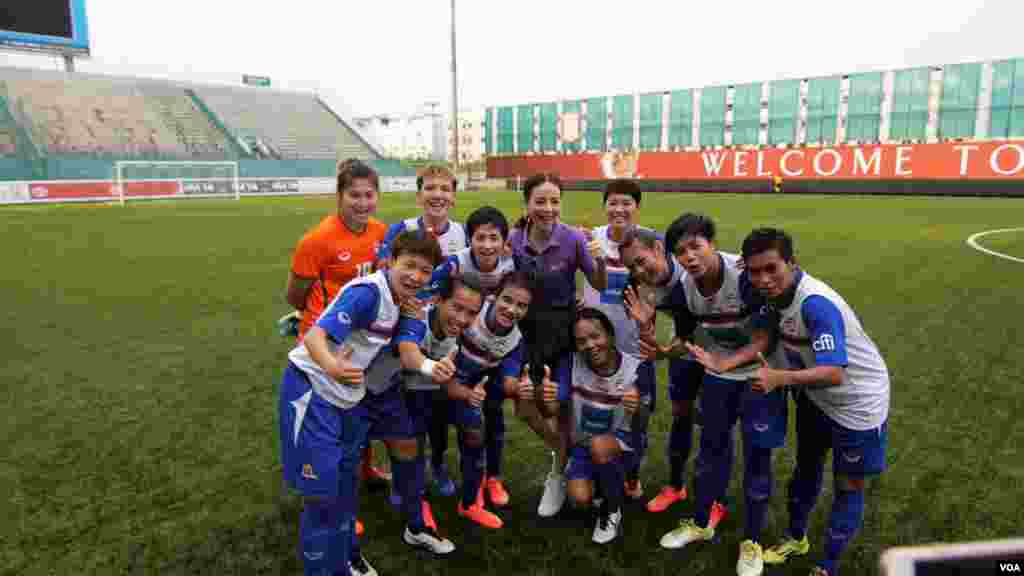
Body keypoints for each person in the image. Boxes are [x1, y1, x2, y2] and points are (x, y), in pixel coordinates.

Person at [688, 228, 890, 576]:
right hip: (815, 397)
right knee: (806, 469)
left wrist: (780, 379)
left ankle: (828, 566)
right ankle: (796, 538)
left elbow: (834, 372)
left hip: (858, 404)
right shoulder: (771, 295)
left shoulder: (815, 304)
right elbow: (764, 339)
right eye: (754, 272)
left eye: (772, 269)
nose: (763, 280)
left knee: (848, 484)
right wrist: (723, 363)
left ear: (793, 264)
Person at [626, 213, 787, 576]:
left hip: (760, 376)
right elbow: (685, 340)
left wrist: (728, 363)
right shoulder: (684, 288)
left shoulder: (744, 276)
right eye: (681, 252)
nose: (689, 257)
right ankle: (701, 521)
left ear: (712, 244)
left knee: (757, 460)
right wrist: (658, 345)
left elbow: (765, 337)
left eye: (696, 247)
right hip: (720, 374)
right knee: (710, 452)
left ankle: (752, 543)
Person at [278, 229, 443, 576]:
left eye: (425, 271)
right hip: (313, 390)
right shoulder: (368, 293)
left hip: (348, 397)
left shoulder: (405, 302)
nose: (416, 276)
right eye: (409, 265)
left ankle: (345, 559)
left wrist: (430, 363)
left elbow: (409, 350)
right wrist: (332, 366)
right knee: (323, 499)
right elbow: (314, 336)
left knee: (345, 486)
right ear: (390, 262)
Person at [281, 158, 388, 537]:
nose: (362, 203)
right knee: (327, 420)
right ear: (339, 196)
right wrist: (317, 321)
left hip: (360, 341)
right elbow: (296, 293)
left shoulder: (382, 233)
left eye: (368, 195)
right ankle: (329, 496)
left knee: (358, 409)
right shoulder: (317, 240)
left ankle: (362, 470)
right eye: (354, 195)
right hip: (322, 342)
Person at [508, 172, 608, 518]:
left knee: (561, 405)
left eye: (554, 201)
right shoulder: (514, 239)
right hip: (524, 335)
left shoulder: (573, 239)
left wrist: (600, 257)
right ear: (527, 203)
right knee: (524, 406)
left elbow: (598, 280)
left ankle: (557, 474)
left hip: (564, 335)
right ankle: (566, 458)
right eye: (540, 200)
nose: (548, 208)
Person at [375, 163, 467, 492]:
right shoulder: (400, 229)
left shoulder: (463, 233)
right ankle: (403, 476)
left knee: (437, 410)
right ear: (419, 196)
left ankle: (439, 465)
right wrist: (402, 305)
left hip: (443, 333)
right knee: (402, 411)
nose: (437, 195)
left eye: (444, 189)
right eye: (430, 188)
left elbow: (466, 281)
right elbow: (384, 275)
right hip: (404, 332)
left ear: (454, 197)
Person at [424, 206, 517, 505]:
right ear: (469, 239)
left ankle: (493, 477)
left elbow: (523, 296)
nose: (487, 245)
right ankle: (437, 464)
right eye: (480, 237)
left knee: (493, 413)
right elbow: (431, 292)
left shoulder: (513, 265)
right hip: (459, 350)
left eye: (494, 238)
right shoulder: (455, 264)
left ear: (505, 242)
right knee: (439, 412)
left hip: (494, 352)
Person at [388, 277, 485, 555]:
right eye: (457, 307)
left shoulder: (466, 333)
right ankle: (413, 499)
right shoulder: (415, 319)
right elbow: (407, 355)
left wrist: (469, 394)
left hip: (437, 391)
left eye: (471, 313)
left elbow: (452, 380)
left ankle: (469, 501)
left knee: (473, 428)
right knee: (412, 443)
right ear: (439, 300)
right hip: (404, 391)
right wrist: (429, 368)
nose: (462, 318)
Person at [578, 179, 658, 500]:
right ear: (605, 206)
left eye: (626, 203)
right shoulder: (590, 239)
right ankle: (597, 473)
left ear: (637, 207)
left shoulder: (652, 241)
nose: (619, 209)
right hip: (594, 348)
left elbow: (685, 257)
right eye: (613, 202)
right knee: (595, 413)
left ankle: (632, 476)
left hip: (636, 347)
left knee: (637, 417)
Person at [535, 307, 641, 544]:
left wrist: (637, 407)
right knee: (580, 499)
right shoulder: (571, 363)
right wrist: (547, 398)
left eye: (596, 336)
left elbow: (643, 424)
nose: (590, 345)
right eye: (581, 341)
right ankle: (602, 486)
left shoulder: (636, 367)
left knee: (600, 447)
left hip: (622, 444)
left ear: (610, 335)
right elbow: (553, 410)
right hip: (584, 446)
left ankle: (612, 509)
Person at [616, 226, 703, 515]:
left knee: (717, 424)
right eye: (632, 266)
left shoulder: (692, 268)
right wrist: (647, 329)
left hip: (720, 353)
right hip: (684, 352)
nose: (639, 271)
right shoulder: (638, 283)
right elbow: (663, 336)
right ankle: (676, 486)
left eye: (641, 261)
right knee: (682, 414)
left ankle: (713, 497)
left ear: (657, 248)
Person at [446, 271, 535, 529]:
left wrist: (518, 386)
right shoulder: (471, 314)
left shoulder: (516, 339)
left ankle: (485, 483)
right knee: (436, 430)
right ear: (493, 297)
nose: (512, 309)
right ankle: (440, 471)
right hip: (446, 379)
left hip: (484, 386)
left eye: (522, 306)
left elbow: (509, 376)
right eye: (507, 300)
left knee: (487, 430)